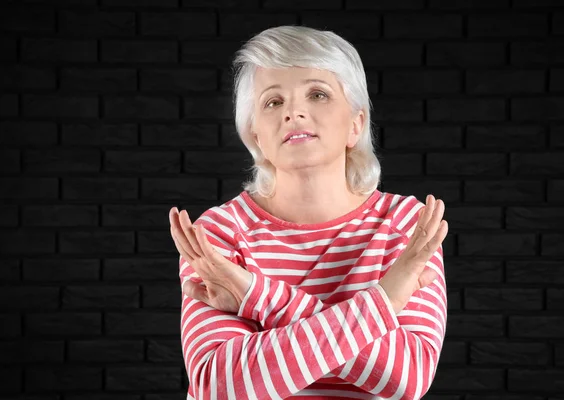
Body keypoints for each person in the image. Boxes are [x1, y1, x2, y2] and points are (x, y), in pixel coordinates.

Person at [169, 25, 448, 399]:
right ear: (255, 136)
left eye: (317, 94)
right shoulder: (219, 232)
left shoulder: (405, 224)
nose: (294, 112)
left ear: (356, 124)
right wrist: (385, 300)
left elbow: (407, 379)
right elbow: (218, 386)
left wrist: (254, 294)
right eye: (273, 102)